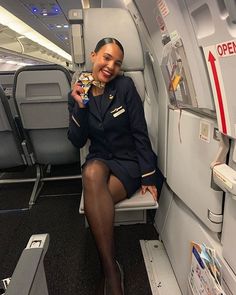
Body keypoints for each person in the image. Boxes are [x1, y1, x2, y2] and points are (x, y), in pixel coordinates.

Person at [68, 37, 158, 295]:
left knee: (95, 192)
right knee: (92, 171)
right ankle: (112, 271)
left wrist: (148, 176)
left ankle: (109, 273)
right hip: (99, 160)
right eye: (106, 58)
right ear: (93, 55)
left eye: (117, 63)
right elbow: (76, 140)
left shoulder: (125, 86)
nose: (110, 66)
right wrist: (80, 106)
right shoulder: (80, 88)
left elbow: (140, 132)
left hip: (127, 162)